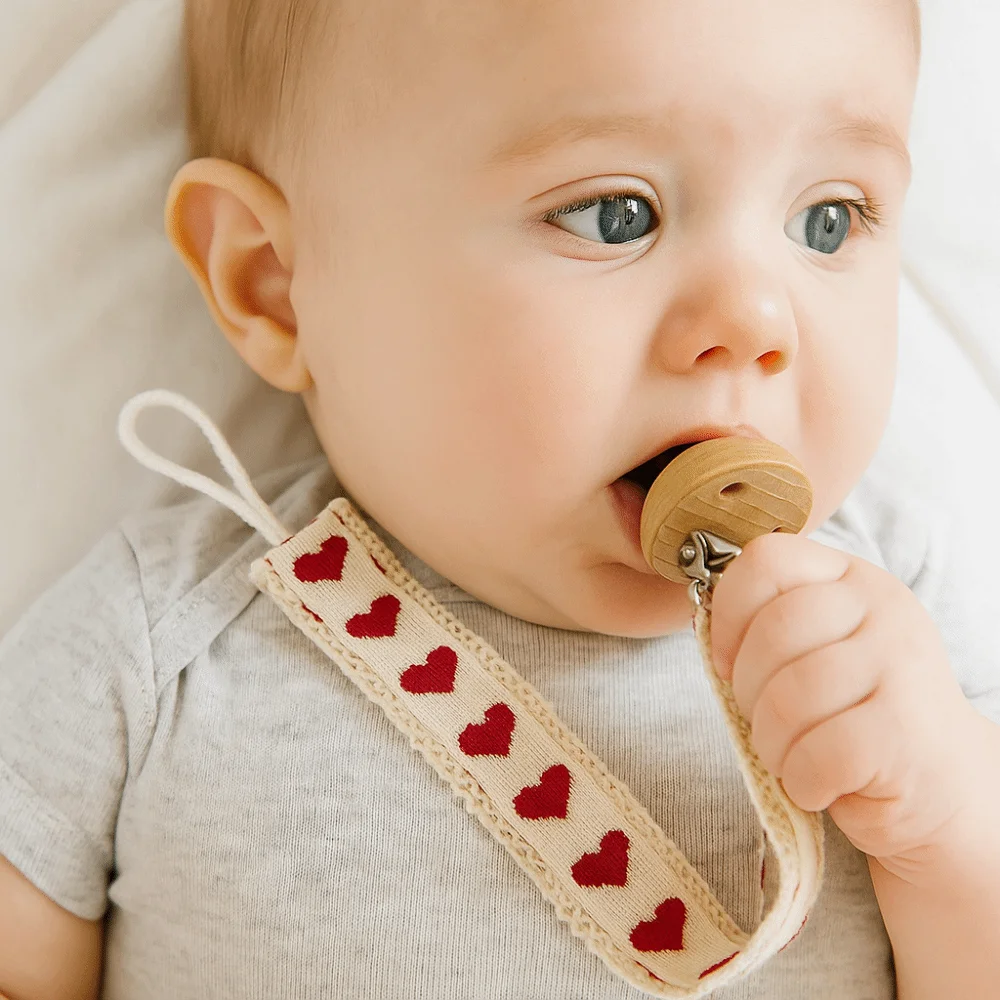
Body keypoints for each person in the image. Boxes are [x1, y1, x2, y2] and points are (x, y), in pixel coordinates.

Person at [2, 0, 998, 996]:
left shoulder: (906, 635)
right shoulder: (154, 646)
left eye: (829, 218)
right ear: (274, 283)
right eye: (617, 213)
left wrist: (951, 832)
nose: (753, 317)